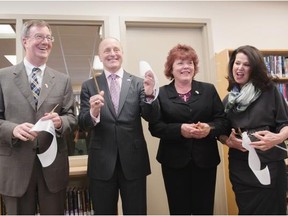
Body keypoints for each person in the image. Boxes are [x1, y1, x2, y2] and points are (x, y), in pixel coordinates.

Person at [0, 20, 77, 214]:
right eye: (39, 37)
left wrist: (61, 122)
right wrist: (12, 129)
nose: (46, 42)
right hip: (15, 168)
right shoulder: (3, 77)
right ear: (25, 41)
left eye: (49, 37)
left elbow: (71, 117)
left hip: (52, 169)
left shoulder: (62, 80)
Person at [78, 37, 159, 215]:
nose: (112, 53)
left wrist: (150, 95)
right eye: (107, 50)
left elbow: (151, 117)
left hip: (134, 161)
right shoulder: (89, 86)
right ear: (100, 56)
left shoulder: (139, 83)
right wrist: (93, 112)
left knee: (136, 211)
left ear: (122, 53)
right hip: (101, 163)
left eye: (116, 49)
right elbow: (82, 124)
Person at [148, 44, 229, 215]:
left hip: (205, 161)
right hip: (173, 162)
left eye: (190, 63)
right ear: (171, 68)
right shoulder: (160, 94)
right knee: (179, 210)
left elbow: (222, 121)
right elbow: (155, 127)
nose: (186, 67)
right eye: (180, 63)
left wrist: (210, 128)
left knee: (204, 209)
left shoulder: (208, 90)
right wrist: (179, 130)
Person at [219, 45, 288, 215]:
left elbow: (285, 123)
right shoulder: (229, 100)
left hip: (270, 164)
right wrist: (228, 141)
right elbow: (221, 131)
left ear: (255, 68)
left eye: (246, 64)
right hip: (241, 168)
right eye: (237, 63)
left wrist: (278, 138)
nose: (240, 68)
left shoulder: (270, 91)